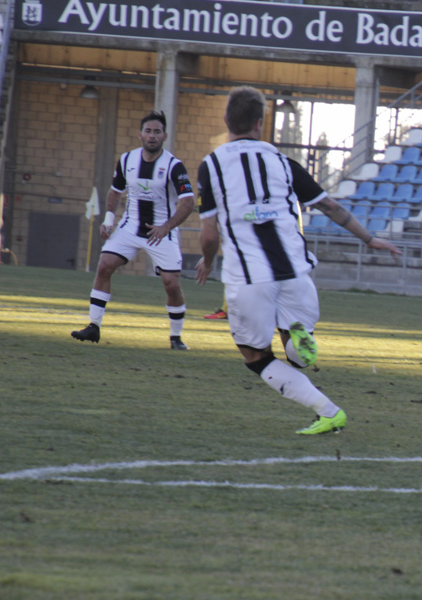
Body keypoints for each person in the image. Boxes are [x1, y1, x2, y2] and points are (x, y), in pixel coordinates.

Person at [193, 86, 402, 435]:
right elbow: (330, 206)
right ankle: (297, 340)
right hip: (295, 272)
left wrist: (206, 260)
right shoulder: (283, 162)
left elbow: (210, 233)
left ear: (226, 120)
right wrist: (370, 239)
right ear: (260, 123)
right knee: (293, 346)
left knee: (255, 355)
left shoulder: (210, 166)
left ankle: (327, 410)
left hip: (249, 278)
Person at [71, 111, 195, 349]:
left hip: (162, 231)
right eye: (148, 131)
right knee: (105, 265)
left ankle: (176, 337)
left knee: (171, 284)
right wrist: (109, 220)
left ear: (164, 136)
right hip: (130, 227)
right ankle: (93, 326)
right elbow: (115, 192)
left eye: (157, 132)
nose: (152, 136)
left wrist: (165, 227)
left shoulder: (174, 166)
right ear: (140, 134)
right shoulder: (127, 160)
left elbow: (188, 202)